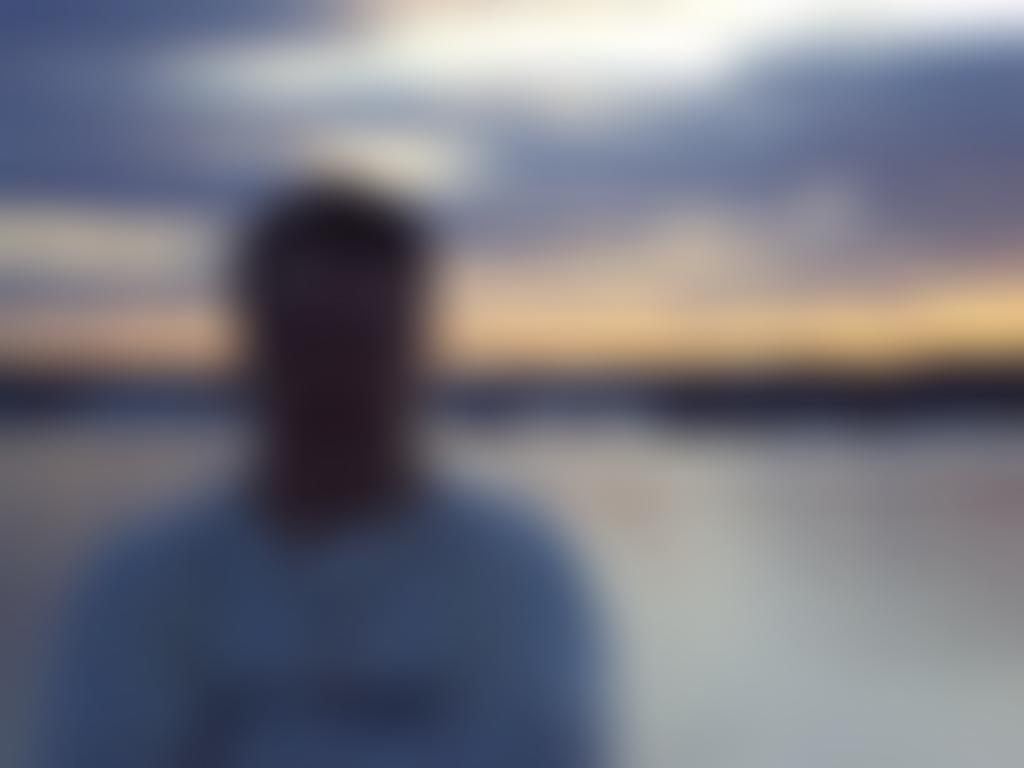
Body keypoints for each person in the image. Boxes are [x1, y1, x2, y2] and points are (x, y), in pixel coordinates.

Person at [41, 184, 600, 768]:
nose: (333, 372)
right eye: (306, 336)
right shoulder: (144, 584)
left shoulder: (514, 578)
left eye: (360, 339)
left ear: (416, 346)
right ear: (254, 343)